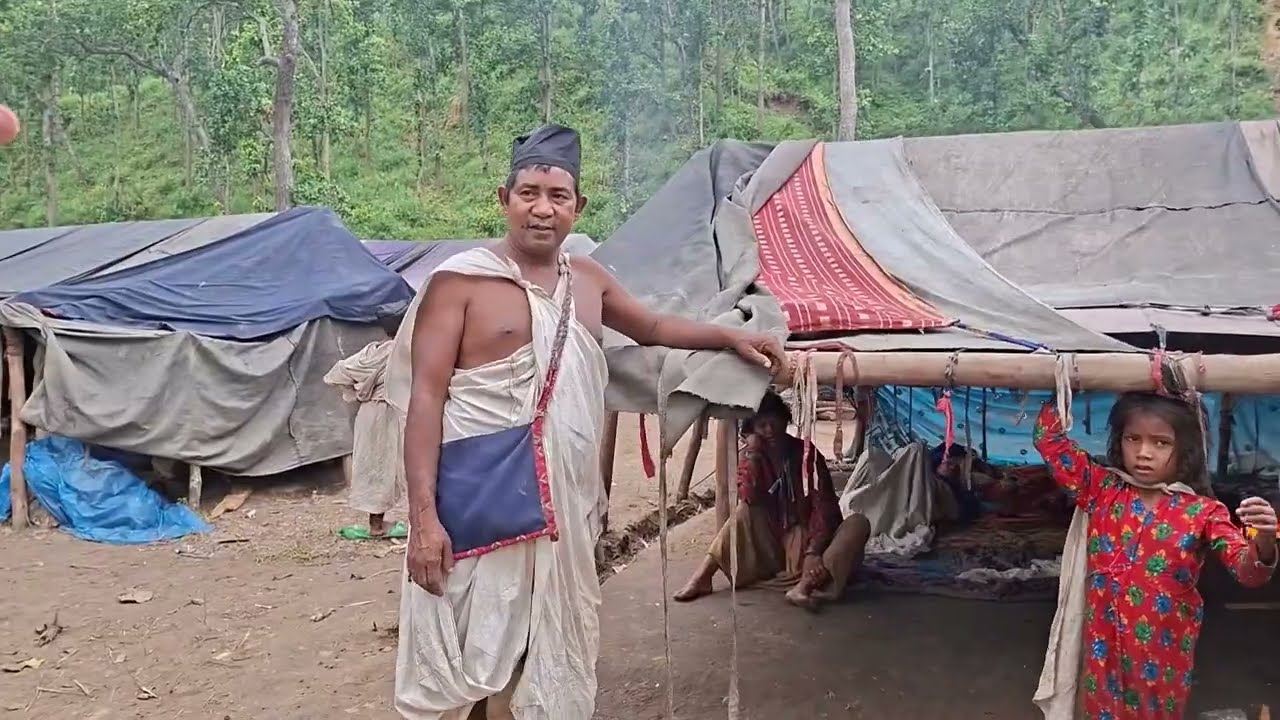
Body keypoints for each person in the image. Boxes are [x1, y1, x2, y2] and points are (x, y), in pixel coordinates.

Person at [385, 123, 786, 720]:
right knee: (469, 640)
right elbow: (425, 400)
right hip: (478, 500)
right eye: (529, 194)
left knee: (536, 644)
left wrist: (730, 334)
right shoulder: (460, 284)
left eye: (558, 197)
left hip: (564, 505)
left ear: (579, 208)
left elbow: (652, 328)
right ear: (504, 199)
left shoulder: (588, 280)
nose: (542, 209)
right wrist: (422, 521)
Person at [1031, 392, 1277, 719]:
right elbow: (1048, 439)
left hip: (1163, 658)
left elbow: (1249, 573)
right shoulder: (1101, 489)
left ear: (1185, 451)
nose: (1144, 453)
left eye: (1161, 443)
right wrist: (1078, 378)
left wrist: (1264, 537)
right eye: (1133, 438)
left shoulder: (1203, 512)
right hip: (1103, 651)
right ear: (1119, 442)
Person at [673, 390, 872, 611]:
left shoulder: (806, 454)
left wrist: (813, 552)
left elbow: (823, 506)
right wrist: (755, 455)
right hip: (773, 551)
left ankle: (803, 587)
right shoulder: (751, 456)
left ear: (784, 419)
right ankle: (703, 577)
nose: (769, 430)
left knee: (858, 524)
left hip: (811, 544)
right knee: (743, 512)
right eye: (762, 425)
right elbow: (748, 497)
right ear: (752, 430)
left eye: (773, 422)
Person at [323, 339, 407, 539]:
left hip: (368, 413)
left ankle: (376, 522)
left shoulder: (370, 352)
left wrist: (359, 392)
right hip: (391, 411)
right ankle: (377, 527)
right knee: (388, 466)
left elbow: (337, 373)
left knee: (373, 465)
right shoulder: (402, 351)